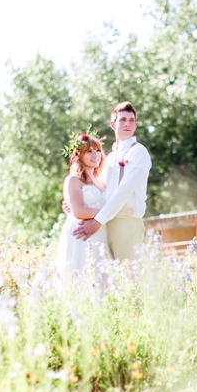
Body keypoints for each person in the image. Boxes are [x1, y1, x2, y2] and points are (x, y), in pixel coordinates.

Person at [74, 101, 152, 260]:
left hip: (127, 224)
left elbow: (124, 191)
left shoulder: (138, 152)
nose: (127, 124)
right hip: (105, 224)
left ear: (136, 125)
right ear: (113, 124)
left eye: (131, 120)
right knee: (107, 279)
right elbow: (99, 190)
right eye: (122, 119)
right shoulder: (109, 158)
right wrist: (76, 201)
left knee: (129, 277)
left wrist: (97, 221)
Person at [54, 133, 109, 286]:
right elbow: (78, 211)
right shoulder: (73, 180)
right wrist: (107, 213)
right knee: (81, 278)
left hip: (100, 233)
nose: (95, 155)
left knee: (101, 280)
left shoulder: (102, 182)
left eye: (97, 150)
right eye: (89, 151)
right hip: (81, 234)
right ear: (79, 155)